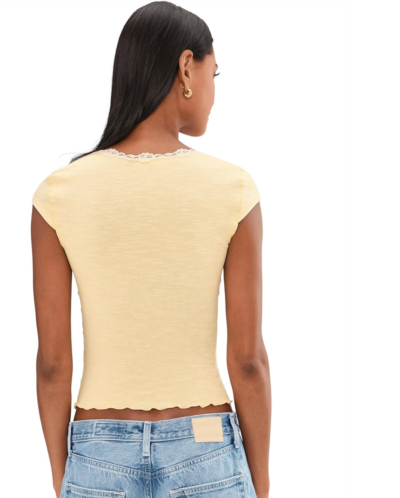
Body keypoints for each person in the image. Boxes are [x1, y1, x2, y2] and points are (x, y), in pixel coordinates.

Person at [32, 2, 271, 497]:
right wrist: (261, 484)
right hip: (206, 446)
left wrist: (68, 477)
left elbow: (52, 365)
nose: (213, 92)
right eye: (213, 73)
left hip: (98, 449)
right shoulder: (232, 189)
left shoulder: (58, 194)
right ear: (186, 67)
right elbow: (247, 361)